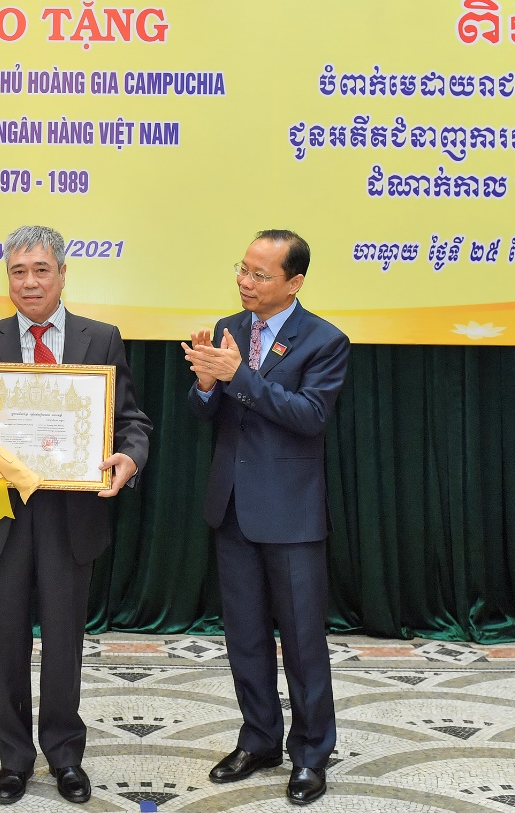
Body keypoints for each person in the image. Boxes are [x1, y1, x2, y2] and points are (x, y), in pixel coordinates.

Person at [0, 224, 152, 805]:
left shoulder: (101, 338)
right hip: (0, 517)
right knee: (3, 644)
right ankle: (13, 758)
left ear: (63, 274)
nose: (30, 282)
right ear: (7, 279)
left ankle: (65, 756)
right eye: (18, 271)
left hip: (71, 518)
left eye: (42, 270)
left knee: (65, 643)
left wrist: (130, 458)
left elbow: (130, 421)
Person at [182, 230, 350, 806]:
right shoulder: (230, 327)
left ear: (294, 282)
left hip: (291, 512)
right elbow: (206, 412)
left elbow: (310, 416)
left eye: (259, 274)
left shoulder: (325, 340)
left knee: (302, 641)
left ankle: (310, 754)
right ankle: (258, 740)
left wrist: (238, 378)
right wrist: (206, 385)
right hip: (232, 507)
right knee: (245, 638)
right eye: (243, 269)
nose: (244, 282)